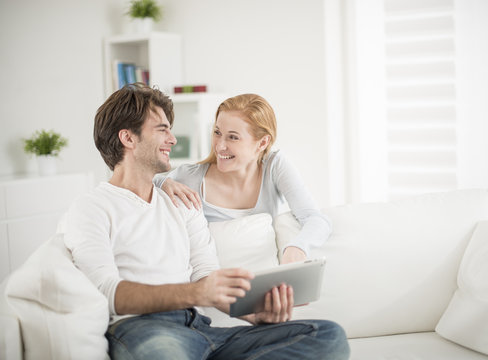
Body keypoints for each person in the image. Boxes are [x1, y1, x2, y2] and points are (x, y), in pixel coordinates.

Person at [64, 83, 349, 359]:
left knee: (326, 336)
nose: (173, 140)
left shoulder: (183, 203)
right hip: (145, 329)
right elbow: (108, 292)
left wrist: (254, 314)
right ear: (128, 138)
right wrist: (197, 292)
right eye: (162, 130)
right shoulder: (92, 207)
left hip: (201, 330)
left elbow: (206, 273)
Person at [154, 93, 331, 264]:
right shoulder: (190, 177)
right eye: (217, 132)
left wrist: (296, 248)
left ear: (262, 143)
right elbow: (131, 184)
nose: (220, 146)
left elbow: (315, 219)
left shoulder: (274, 166)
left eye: (233, 137)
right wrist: (162, 182)